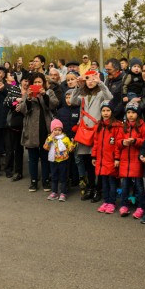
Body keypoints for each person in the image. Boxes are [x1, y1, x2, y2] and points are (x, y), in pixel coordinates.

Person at [70, 70, 113, 200]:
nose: (90, 81)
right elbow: (72, 101)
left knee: (97, 162)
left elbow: (110, 97)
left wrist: (100, 83)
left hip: (97, 132)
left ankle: (98, 190)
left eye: (93, 78)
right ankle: (90, 188)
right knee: (87, 162)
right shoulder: (83, 95)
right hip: (84, 132)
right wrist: (78, 86)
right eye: (88, 79)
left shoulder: (100, 94)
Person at [19, 72, 59, 192]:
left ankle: (45, 180)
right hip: (31, 129)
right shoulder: (27, 93)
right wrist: (29, 98)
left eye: (39, 82)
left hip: (45, 129)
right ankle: (33, 181)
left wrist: (44, 95)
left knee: (45, 157)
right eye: (35, 82)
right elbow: (22, 110)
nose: (37, 84)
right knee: (32, 157)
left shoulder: (49, 92)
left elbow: (54, 104)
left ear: (44, 83)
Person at [117, 102, 145, 219]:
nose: (130, 115)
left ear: (138, 114)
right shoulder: (123, 126)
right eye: (128, 112)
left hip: (137, 161)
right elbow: (118, 142)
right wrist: (123, 142)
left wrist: (135, 141)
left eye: (133, 112)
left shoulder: (143, 126)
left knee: (139, 186)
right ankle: (124, 205)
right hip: (125, 161)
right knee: (125, 185)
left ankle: (141, 206)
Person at [92, 101, 123, 214]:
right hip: (101, 160)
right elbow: (96, 143)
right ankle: (106, 201)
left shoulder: (117, 126)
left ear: (112, 112)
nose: (105, 113)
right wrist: (94, 156)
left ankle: (112, 202)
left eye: (108, 110)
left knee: (112, 182)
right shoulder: (99, 126)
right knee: (104, 182)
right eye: (103, 111)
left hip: (111, 159)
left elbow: (117, 145)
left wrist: (117, 158)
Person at [43, 119, 76, 201]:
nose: (57, 131)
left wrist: (73, 144)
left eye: (59, 130)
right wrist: (50, 138)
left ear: (62, 130)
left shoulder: (65, 138)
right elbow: (45, 147)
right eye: (55, 130)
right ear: (52, 130)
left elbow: (70, 149)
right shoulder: (50, 138)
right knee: (54, 177)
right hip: (53, 161)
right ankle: (54, 192)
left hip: (63, 161)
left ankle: (63, 193)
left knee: (63, 177)